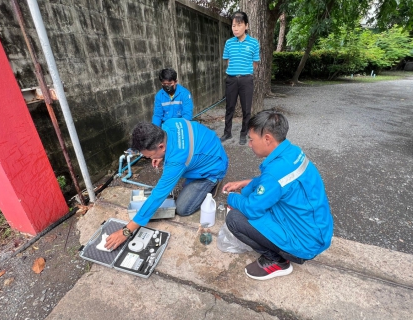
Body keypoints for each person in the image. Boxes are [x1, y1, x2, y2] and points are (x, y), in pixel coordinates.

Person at [222, 110, 333, 280]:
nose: (249, 144)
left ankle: (277, 261)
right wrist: (244, 184)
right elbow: (272, 183)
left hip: (305, 244)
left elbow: (252, 208)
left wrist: (231, 198)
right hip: (318, 231)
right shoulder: (292, 152)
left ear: (267, 138)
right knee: (253, 197)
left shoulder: (275, 174)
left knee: (235, 219)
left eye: (251, 140)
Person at [105, 118, 228, 250]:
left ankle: (213, 183)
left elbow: (158, 195)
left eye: (150, 155)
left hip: (214, 167)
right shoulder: (168, 125)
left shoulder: (176, 160)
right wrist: (160, 156)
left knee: (182, 209)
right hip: (207, 148)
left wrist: (126, 231)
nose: (149, 158)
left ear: (161, 147)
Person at [220, 11, 260, 145]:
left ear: (246, 26)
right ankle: (227, 133)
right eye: (233, 25)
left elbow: (255, 63)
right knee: (229, 107)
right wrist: (235, 73)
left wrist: (244, 73)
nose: (235, 28)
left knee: (246, 109)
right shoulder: (229, 43)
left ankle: (244, 133)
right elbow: (228, 61)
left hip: (246, 80)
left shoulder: (254, 43)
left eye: (239, 25)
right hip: (231, 79)